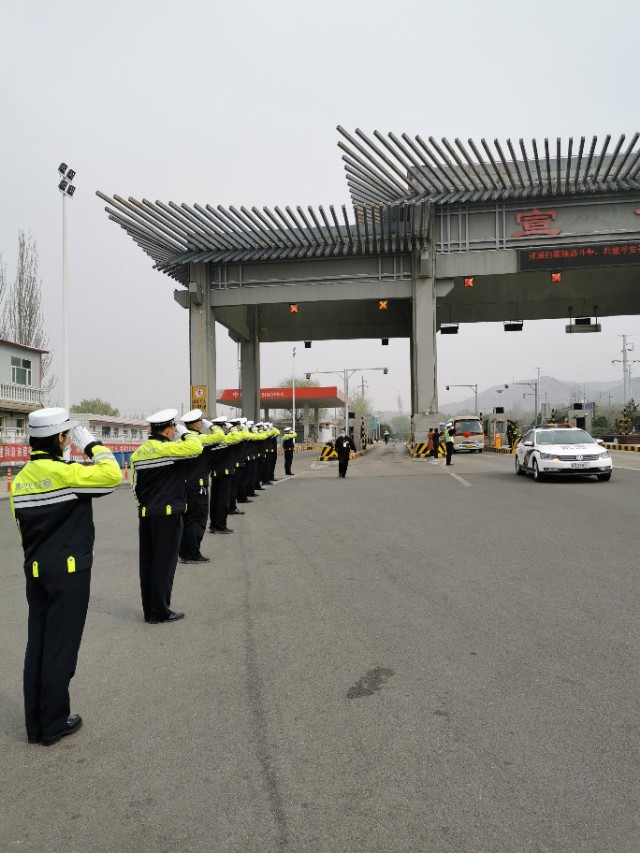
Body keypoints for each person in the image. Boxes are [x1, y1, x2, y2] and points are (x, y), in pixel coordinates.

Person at [10, 408, 122, 746]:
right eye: (68, 435)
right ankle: (55, 723)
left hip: (37, 571)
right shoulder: (67, 474)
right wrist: (95, 447)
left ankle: (36, 725)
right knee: (61, 649)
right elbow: (112, 475)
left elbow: (23, 533)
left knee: (39, 646)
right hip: (69, 574)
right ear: (60, 438)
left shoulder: (20, 479)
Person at [130, 409, 202, 624]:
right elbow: (196, 446)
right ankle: (161, 610)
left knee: (149, 564)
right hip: (168, 514)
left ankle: (150, 611)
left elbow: (135, 488)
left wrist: (145, 506)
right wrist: (186, 432)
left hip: (147, 514)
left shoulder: (138, 454)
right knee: (164, 565)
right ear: (170, 429)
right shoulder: (169, 449)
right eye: (174, 428)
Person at [178, 410, 224, 563]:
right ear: (197, 424)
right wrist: (212, 425)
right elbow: (220, 436)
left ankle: (183, 552)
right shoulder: (200, 439)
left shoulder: (179, 440)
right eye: (201, 422)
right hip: (197, 486)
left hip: (182, 485)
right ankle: (192, 553)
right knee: (197, 519)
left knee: (185, 519)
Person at [209, 417, 241, 533]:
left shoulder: (211, 440)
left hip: (216, 472)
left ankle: (213, 525)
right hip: (225, 472)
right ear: (222, 427)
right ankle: (221, 526)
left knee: (215, 500)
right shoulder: (226, 439)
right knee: (223, 500)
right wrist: (233, 428)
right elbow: (237, 437)